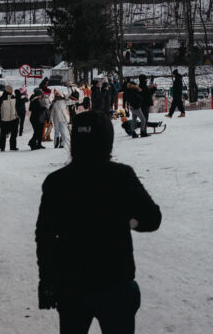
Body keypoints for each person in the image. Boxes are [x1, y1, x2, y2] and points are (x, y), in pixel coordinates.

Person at [36, 111, 161, 331]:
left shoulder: (57, 181)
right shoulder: (121, 176)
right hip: (116, 281)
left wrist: (47, 282)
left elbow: (45, 237)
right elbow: (152, 219)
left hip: (72, 285)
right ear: (107, 140)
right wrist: (127, 223)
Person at [0, 84, 19, 151]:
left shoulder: (13, 97)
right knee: (3, 135)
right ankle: (2, 147)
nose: (12, 90)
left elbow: (16, 107)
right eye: (11, 89)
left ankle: (13, 146)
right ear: (7, 90)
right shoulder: (2, 98)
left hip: (13, 118)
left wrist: (17, 116)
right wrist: (0, 119)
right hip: (4, 119)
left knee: (14, 134)